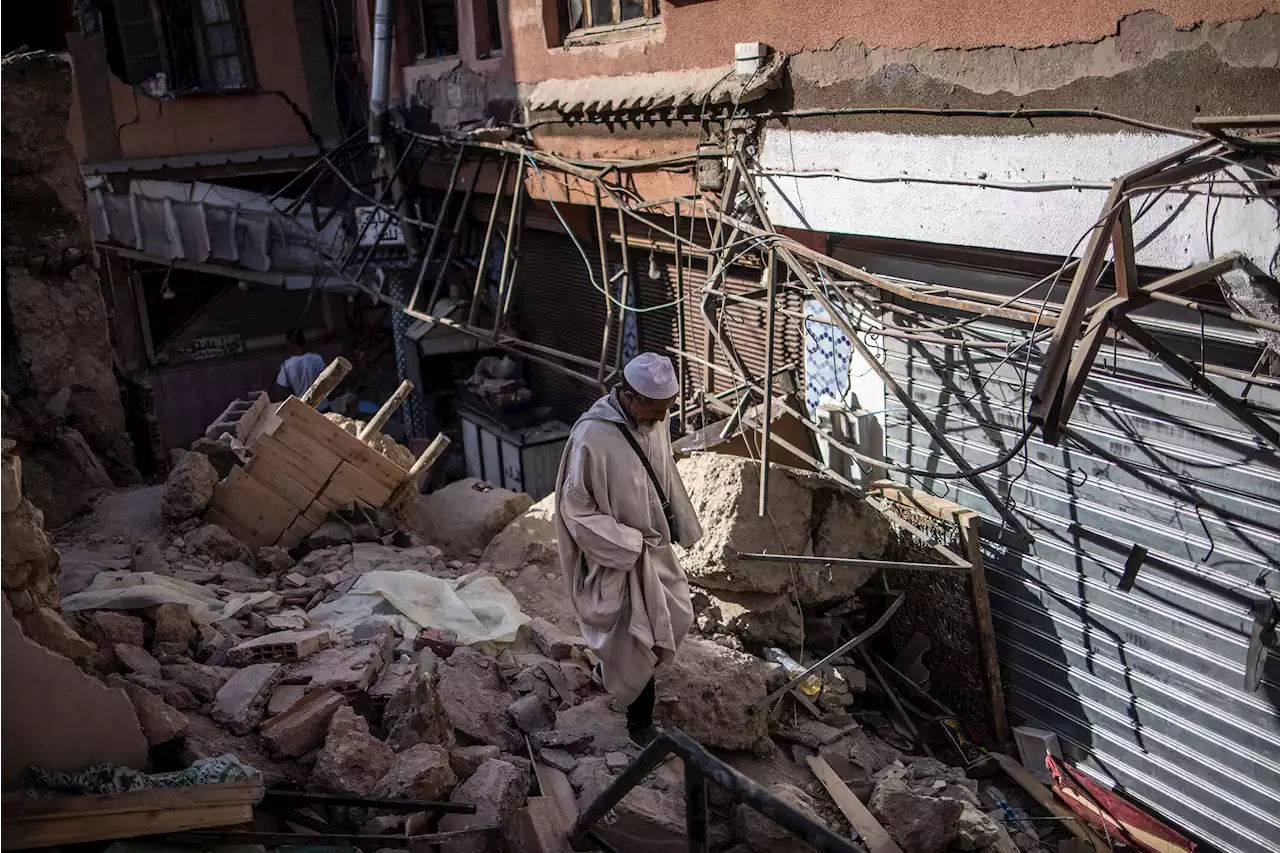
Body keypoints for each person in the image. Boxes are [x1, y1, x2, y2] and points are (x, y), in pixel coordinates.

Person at [554, 352, 703, 747]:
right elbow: (575, 508)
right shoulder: (591, 436)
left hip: (655, 546)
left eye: (665, 412)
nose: (659, 420)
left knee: (676, 616)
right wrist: (625, 544)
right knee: (636, 637)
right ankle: (640, 723)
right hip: (618, 553)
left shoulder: (656, 419)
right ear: (631, 397)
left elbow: (664, 469)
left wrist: (680, 527)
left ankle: (614, 677)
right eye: (654, 412)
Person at [273, 328, 329, 410]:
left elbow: (282, 392)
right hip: (324, 406)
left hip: (304, 409)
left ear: (289, 344)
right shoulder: (317, 359)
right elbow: (327, 380)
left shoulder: (287, 366)